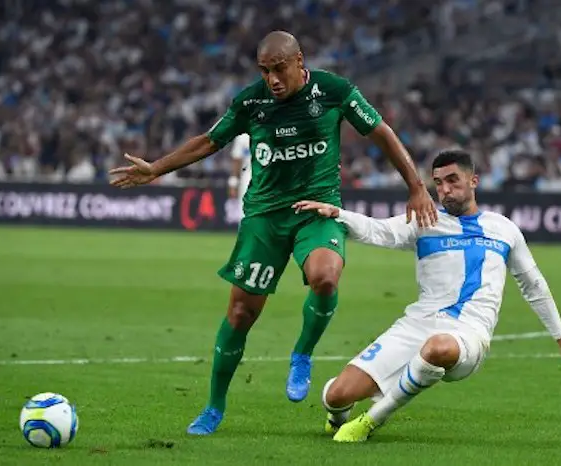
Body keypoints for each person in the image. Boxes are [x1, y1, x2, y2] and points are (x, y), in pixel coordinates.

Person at [108, 30, 437, 436]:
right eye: (265, 71)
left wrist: (417, 186)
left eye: (279, 69)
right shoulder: (252, 102)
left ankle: (302, 353)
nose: (272, 79)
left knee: (325, 275)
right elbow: (211, 141)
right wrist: (157, 168)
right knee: (241, 313)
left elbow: (381, 132)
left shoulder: (333, 91)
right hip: (264, 217)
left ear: (300, 61)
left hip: (315, 210)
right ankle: (214, 407)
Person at [292, 149, 561, 443]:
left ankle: (371, 420)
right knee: (336, 395)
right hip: (417, 325)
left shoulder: (504, 230)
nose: (445, 190)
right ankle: (337, 418)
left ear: (473, 181)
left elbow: (534, 284)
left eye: (453, 180)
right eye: (438, 183)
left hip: (468, 335)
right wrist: (338, 214)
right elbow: (377, 230)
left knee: (438, 348)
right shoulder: (426, 221)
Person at [228, 133, 251, 220]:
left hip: (266, 177)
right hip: (247, 177)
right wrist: (233, 183)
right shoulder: (242, 137)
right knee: (244, 213)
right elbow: (237, 160)